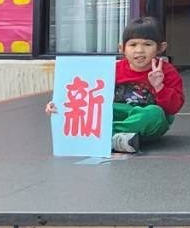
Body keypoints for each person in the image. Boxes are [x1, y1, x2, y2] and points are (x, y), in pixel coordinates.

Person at [43, 16, 182, 154]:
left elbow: (173, 108)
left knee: (154, 114)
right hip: (119, 113)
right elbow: (87, 97)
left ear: (161, 48)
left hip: (145, 121)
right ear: (122, 48)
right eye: (133, 45)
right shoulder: (112, 69)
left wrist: (159, 87)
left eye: (147, 44)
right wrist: (58, 105)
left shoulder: (166, 71)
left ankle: (103, 138)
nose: (139, 50)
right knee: (92, 109)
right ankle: (118, 140)